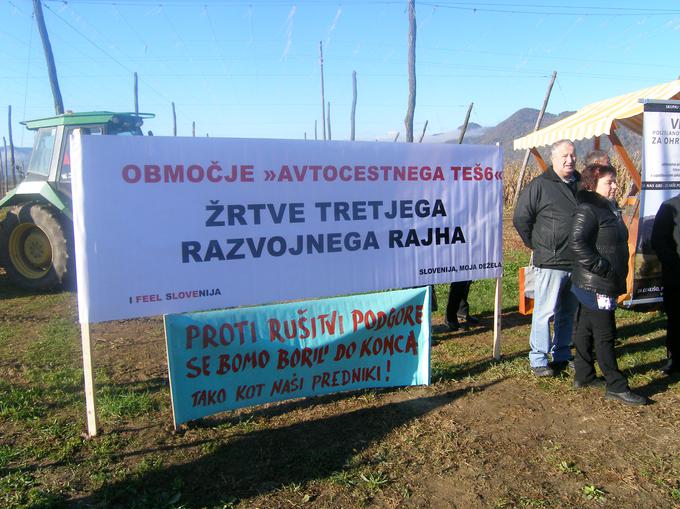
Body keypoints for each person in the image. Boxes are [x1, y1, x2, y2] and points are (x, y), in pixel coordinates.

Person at [569, 163, 647, 405]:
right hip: (596, 284)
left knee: (584, 327)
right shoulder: (589, 209)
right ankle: (616, 384)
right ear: (593, 186)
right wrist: (601, 267)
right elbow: (577, 243)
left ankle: (583, 374)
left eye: (614, 181)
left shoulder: (607, 207)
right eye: (609, 182)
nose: (615, 185)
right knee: (606, 334)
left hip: (598, 281)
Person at [513, 139, 580, 377]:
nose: (569, 160)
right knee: (545, 311)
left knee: (567, 312)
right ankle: (538, 359)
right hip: (550, 261)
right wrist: (538, 245)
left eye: (572, 155)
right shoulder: (540, 185)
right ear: (553, 159)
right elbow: (521, 218)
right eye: (564, 156)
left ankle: (562, 353)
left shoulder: (580, 185)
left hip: (576, 261)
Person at [651, 192, 680, 375]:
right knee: (676, 319)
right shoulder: (670, 206)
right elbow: (659, 240)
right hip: (676, 275)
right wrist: (675, 264)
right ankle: (675, 359)